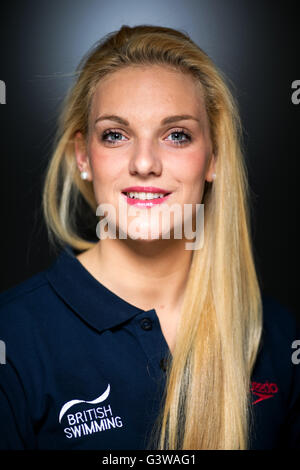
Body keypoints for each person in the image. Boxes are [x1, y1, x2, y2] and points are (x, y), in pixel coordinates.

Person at [0, 24, 299, 451]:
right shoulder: (11, 339)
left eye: (176, 135)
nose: (144, 163)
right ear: (83, 157)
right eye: (116, 135)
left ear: (213, 158)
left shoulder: (279, 335)